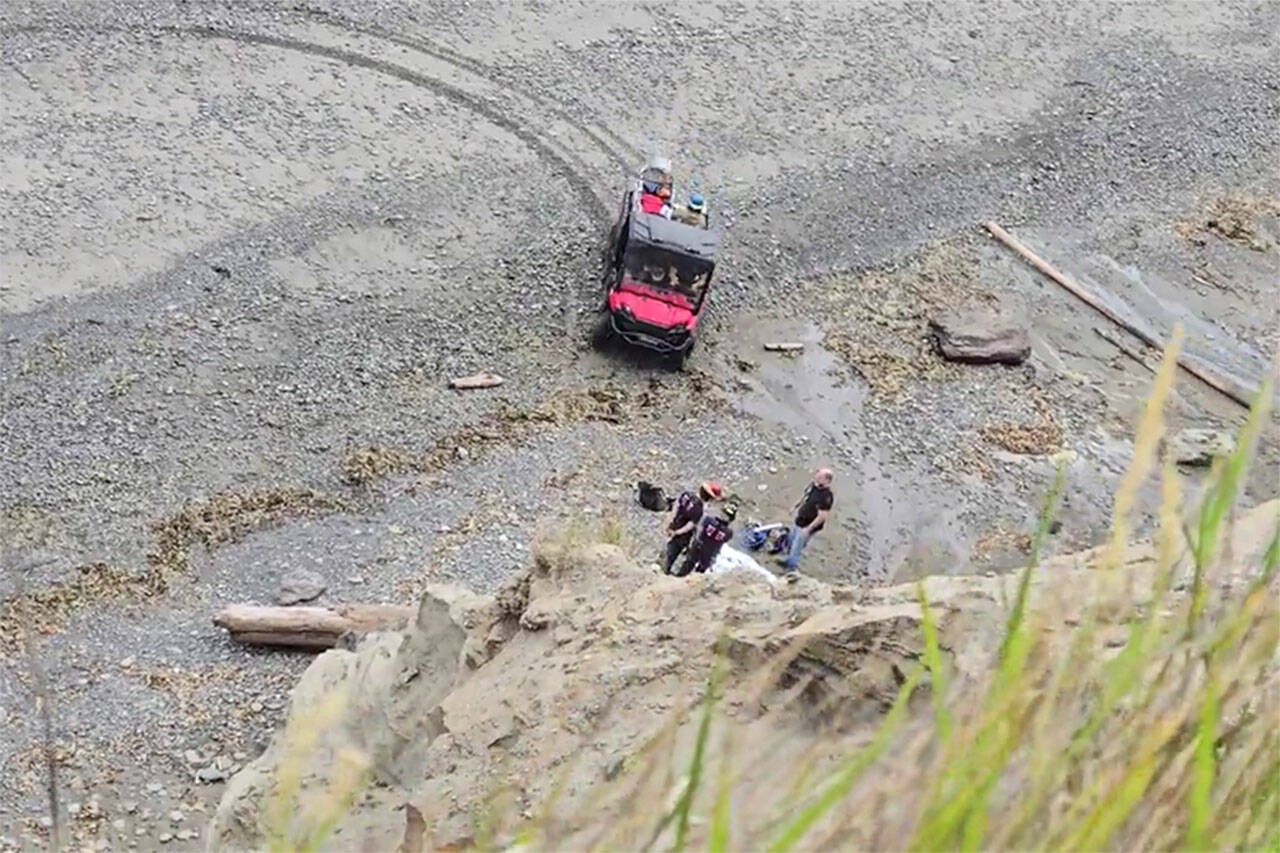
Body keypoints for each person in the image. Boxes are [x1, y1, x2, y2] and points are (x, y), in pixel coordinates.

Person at [778, 468, 834, 577]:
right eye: (817, 474)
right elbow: (805, 497)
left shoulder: (826, 497)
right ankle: (787, 561)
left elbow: (822, 516)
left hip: (807, 526)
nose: (817, 477)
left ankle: (790, 571)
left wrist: (808, 529)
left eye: (820, 476)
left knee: (796, 548)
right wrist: (795, 506)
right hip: (799, 520)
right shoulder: (813, 486)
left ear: (827, 480)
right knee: (790, 541)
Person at [663, 481, 723, 573]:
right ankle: (665, 570)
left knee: (667, 548)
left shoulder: (687, 495)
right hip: (682, 534)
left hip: (675, 523)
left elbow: (676, 505)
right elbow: (690, 525)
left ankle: (662, 564)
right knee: (673, 551)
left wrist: (670, 521)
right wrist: (677, 532)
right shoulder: (699, 510)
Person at [676, 502, 737, 577]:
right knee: (688, 564)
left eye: (728, 515)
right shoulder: (710, 520)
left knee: (700, 571)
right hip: (700, 545)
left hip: (709, 551)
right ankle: (679, 578)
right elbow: (699, 529)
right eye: (724, 513)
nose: (724, 516)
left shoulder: (727, 531)